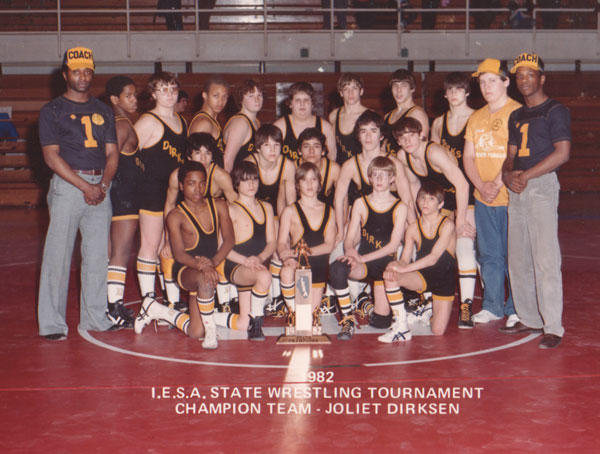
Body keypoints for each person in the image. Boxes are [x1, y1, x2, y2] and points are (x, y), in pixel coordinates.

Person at [38, 46, 118, 339]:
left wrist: (103, 186)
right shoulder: (52, 110)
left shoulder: (103, 110)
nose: (82, 76)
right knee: (57, 256)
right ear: (65, 74)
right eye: (76, 71)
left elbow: (112, 153)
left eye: (87, 70)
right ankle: (52, 324)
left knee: (98, 257)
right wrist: (86, 187)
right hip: (69, 188)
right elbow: (51, 157)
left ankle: (95, 319)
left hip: (101, 186)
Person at [500, 53, 570, 349]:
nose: (524, 80)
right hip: (518, 187)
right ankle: (529, 317)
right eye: (519, 76)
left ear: (542, 78)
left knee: (545, 259)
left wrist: (525, 175)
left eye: (530, 74)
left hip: (539, 185)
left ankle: (553, 325)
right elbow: (511, 154)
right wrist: (507, 175)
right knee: (518, 260)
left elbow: (562, 153)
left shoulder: (555, 110)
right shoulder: (516, 115)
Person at [134, 160, 235, 349]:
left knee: (195, 331)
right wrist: (204, 266)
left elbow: (229, 240)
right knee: (205, 281)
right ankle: (212, 332)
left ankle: (156, 310)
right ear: (181, 186)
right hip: (185, 269)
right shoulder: (175, 215)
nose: (198, 189)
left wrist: (211, 263)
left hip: (208, 266)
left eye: (202, 183)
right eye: (191, 183)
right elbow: (179, 255)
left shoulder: (219, 204)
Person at [463, 58, 521, 327]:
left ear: (506, 81)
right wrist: (479, 185)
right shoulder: (476, 116)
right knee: (489, 254)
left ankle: (517, 308)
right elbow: (468, 156)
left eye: (492, 81)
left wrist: (496, 183)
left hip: (510, 198)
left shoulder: (518, 113)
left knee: (514, 255)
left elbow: (517, 154)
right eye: (482, 82)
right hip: (483, 198)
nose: (486, 87)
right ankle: (492, 306)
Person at [329, 156, 408, 340]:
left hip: (385, 267)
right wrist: (349, 251)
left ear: (392, 178)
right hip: (363, 264)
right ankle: (348, 319)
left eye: (385, 175)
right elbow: (349, 239)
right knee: (336, 269)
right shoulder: (360, 203)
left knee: (381, 322)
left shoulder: (400, 206)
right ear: (369, 178)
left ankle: (366, 301)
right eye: (376, 175)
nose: (380, 180)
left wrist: (361, 258)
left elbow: (393, 245)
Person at [428, 71, 478, 328]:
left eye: (460, 89)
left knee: (464, 244)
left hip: (471, 193)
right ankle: (429, 301)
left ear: (467, 92)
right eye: (451, 89)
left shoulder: (478, 118)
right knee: (439, 248)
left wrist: (461, 214)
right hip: (445, 197)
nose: (455, 94)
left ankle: (466, 305)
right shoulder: (438, 123)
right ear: (445, 94)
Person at [379, 181, 457, 342]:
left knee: (437, 331)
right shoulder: (413, 228)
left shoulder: (447, 225)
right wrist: (394, 266)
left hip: (445, 278)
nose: (425, 202)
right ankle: (401, 328)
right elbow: (405, 260)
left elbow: (433, 257)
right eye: (422, 198)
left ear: (440, 204)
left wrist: (403, 269)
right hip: (423, 275)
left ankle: (427, 310)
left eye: (431, 199)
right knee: (390, 275)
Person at [134, 72, 187, 303]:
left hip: (174, 195)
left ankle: (171, 299)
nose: (169, 94)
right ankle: (148, 301)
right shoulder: (147, 121)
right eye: (163, 89)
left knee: (171, 246)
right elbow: (129, 154)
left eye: (173, 89)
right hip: (151, 192)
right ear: (153, 93)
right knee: (150, 244)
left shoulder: (181, 121)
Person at [218, 161, 276, 340]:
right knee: (265, 276)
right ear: (236, 184)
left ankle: (203, 316)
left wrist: (259, 258)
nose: (251, 184)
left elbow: (272, 242)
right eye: (245, 180)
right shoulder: (231, 209)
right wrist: (246, 261)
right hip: (235, 265)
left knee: (242, 324)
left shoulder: (266, 207)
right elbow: (222, 248)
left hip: (254, 265)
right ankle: (257, 322)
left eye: (254, 179)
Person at [105, 75, 142, 328]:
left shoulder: (124, 122)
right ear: (115, 99)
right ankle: (113, 308)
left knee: (117, 251)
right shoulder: (121, 124)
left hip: (125, 195)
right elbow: (109, 160)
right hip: (122, 196)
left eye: (135, 95)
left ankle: (111, 304)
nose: (134, 100)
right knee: (119, 251)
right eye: (128, 95)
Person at [278, 162, 337, 316]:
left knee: (309, 323)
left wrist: (299, 252)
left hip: (318, 266)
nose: (309, 184)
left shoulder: (329, 210)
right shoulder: (290, 211)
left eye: (313, 179)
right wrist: (286, 257)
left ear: (319, 183)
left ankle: (299, 312)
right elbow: (281, 242)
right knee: (286, 272)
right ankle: (293, 311)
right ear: (298, 184)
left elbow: (329, 246)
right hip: (299, 265)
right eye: (304, 180)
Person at [246, 124, 296, 301]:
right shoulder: (250, 163)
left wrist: (291, 231)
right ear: (258, 147)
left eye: (276, 145)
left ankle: (276, 296)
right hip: (251, 214)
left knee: (280, 240)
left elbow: (291, 205)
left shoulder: (287, 165)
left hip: (275, 215)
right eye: (267, 145)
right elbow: (240, 203)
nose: (273, 150)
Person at [274, 81, 336, 163]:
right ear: (290, 104)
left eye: (306, 100)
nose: (302, 104)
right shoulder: (280, 127)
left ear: (312, 103)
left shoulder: (325, 128)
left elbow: (332, 159)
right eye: (298, 100)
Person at [383, 69, 430, 157]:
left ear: (412, 89)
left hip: (408, 167)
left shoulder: (417, 114)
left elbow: (422, 148)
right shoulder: (387, 116)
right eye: (395, 85)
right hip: (390, 166)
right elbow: (384, 146)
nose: (398, 90)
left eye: (403, 85)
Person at [223, 78, 263, 172]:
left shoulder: (256, 122)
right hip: (237, 181)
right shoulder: (240, 123)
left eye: (259, 95)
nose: (257, 99)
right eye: (251, 96)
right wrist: (227, 186)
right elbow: (227, 161)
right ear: (241, 99)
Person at [328, 73, 368, 166]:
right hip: (340, 170)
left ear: (361, 91)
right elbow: (332, 150)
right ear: (341, 93)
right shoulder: (333, 116)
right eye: (346, 89)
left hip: (362, 170)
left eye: (354, 88)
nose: (350, 93)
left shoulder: (369, 116)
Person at [188, 75, 229, 168]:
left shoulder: (211, 120)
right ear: (205, 96)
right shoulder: (204, 123)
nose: (220, 101)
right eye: (216, 96)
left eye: (224, 97)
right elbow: (197, 163)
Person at [297, 127, 340, 207]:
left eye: (316, 146)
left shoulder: (334, 169)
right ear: (299, 151)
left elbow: (342, 200)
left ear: (323, 151)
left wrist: (341, 220)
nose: (311, 151)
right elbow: (287, 202)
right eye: (306, 146)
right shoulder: (292, 168)